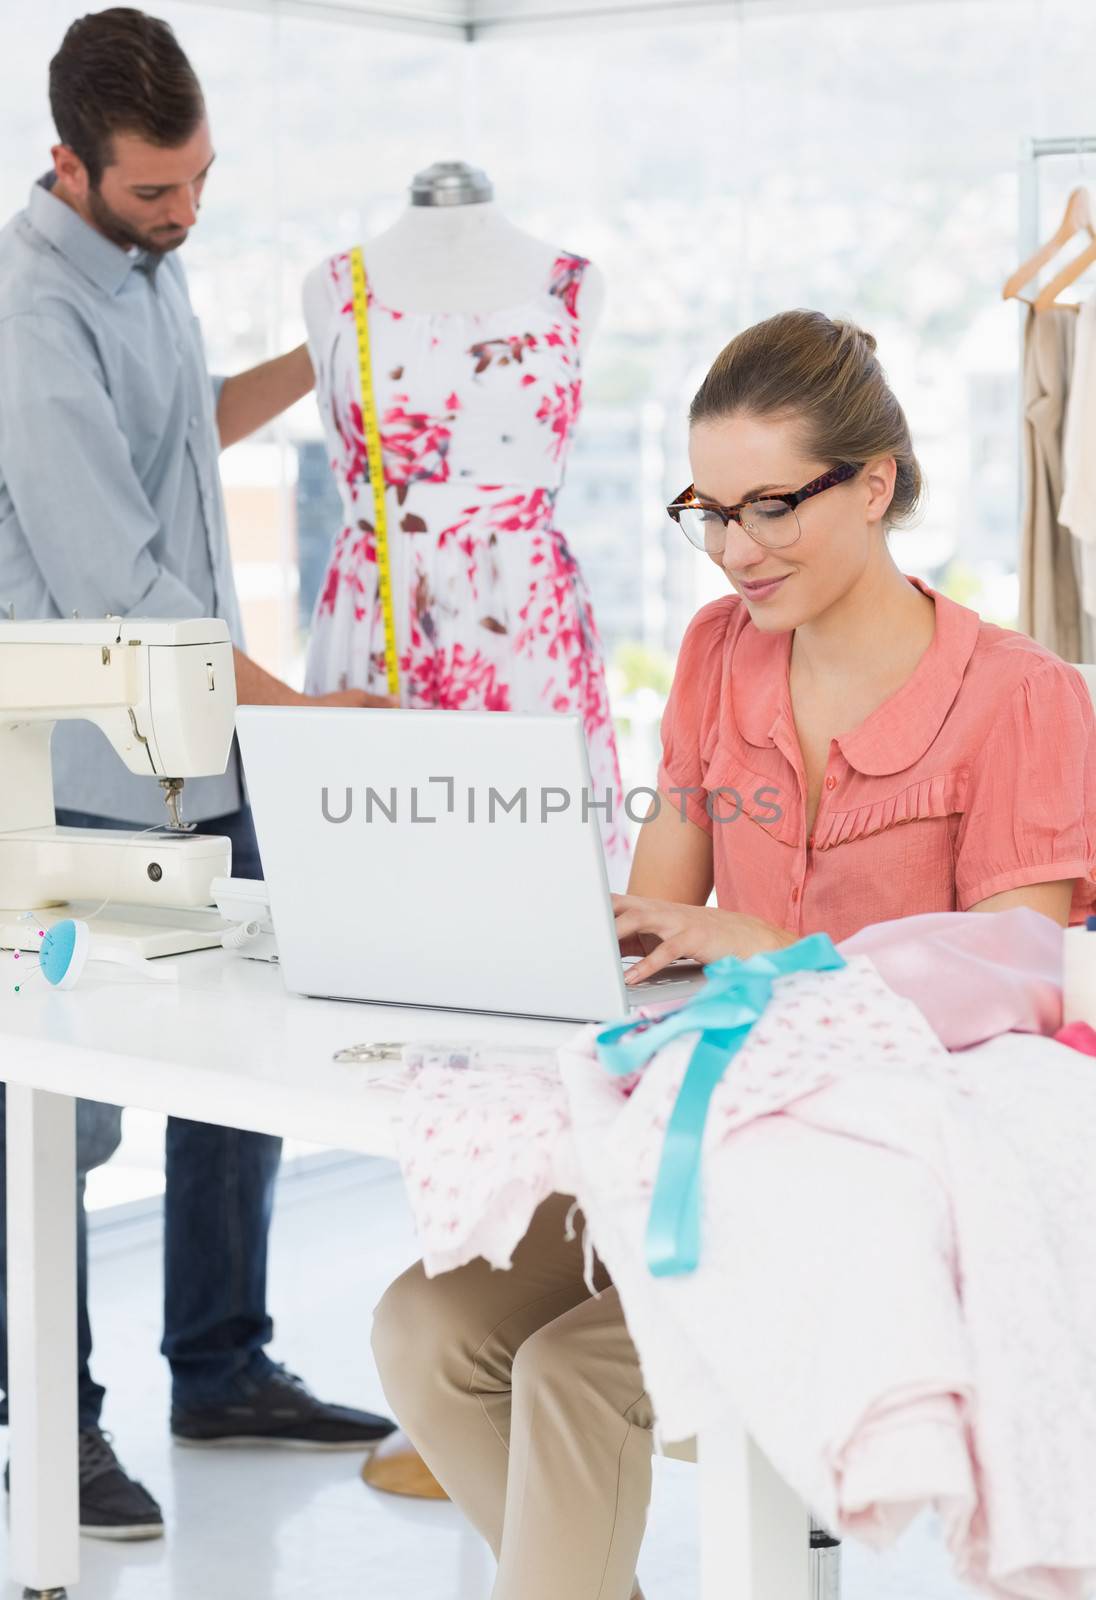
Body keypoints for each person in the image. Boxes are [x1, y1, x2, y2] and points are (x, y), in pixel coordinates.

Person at [371, 309, 1096, 1599]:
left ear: (875, 484)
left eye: (769, 509)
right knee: (422, 1326)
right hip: (718, 1125)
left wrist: (779, 947)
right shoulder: (716, 657)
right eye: (706, 512)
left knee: (573, 1371)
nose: (732, 554)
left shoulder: (1022, 697)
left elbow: (1027, 979)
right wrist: (511, 923)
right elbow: (660, 924)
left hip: (891, 1172)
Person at [0, 8, 395, 1542]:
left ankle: (222, 1363)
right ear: (69, 162)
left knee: (244, 1055)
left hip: (202, 743)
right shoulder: (32, 315)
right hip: (87, 762)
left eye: (201, 181)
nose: (186, 212)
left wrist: (337, 359)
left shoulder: (147, 269)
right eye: (156, 193)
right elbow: (126, 595)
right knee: (64, 1113)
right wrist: (304, 717)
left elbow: (182, 442)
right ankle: (54, 1420)